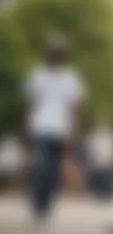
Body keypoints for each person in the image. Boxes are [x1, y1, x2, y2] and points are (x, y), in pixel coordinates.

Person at [24, 36, 86, 222]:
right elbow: (30, 102)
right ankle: (38, 204)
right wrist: (27, 126)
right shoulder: (38, 75)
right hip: (41, 127)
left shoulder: (70, 78)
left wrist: (74, 130)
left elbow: (75, 106)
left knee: (53, 169)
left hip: (61, 130)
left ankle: (48, 203)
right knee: (40, 166)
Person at [86, 121, 113, 202]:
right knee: (98, 179)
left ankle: (106, 195)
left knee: (106, 179)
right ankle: (98, 194)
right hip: (97, 162)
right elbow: (90, 150)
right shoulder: (94, 138)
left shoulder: (110, 137)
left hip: (106, 161)